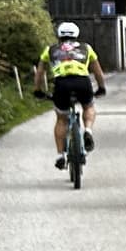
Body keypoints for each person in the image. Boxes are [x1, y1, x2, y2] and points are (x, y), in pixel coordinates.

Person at [32, 22, 107, 171]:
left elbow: (40, 72)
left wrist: (37, 90)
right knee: (88, 106)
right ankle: (88, 130)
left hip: (62, 83)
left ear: (59, 36)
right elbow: (98, 71)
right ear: (76, 35)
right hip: (82, 82)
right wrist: (101, 88)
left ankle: (61, 155)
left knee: (61, 118)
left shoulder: (50, 50)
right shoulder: (86, 48)